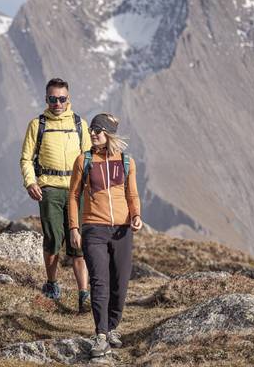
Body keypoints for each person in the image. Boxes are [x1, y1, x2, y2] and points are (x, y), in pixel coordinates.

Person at [67, 113, 143, 357]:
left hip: (121, 229)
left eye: (97, 131)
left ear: (108, 133)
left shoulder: (127, 162)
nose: (92, 134)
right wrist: (74, 228)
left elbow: (132, 194)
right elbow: (73, 196)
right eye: (91, 130)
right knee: (100, 281)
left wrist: (136, 215)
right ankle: (100, 335)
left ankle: (112, 328)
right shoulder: (84, 160)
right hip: (93, 229)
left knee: (120, 283)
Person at [20, 77, 92, 313]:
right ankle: (52, 284)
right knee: (52, 239)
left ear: (68, 98)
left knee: (79, 243)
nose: (57, 103)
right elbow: (26, 159)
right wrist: (30, 182)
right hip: (49, 189)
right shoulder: (37, 125)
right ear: (46, 99)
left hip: (77, 189)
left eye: (62, 99)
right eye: (53, 99)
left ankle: (84, 295)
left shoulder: (80, 125)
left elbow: (89, 159)